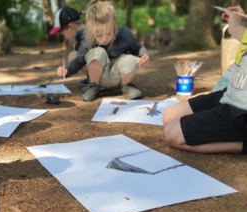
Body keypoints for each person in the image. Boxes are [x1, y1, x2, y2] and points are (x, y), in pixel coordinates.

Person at [163, 6, 247, 154]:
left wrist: (236, 24)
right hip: (230, 94)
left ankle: (243, 145)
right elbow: (237, 31)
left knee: (172, 134)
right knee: (169, 116)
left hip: (241, 112)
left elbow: (236, 29)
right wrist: (238, 18)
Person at [56, 0, 150, 102]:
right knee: (97, 52)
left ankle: (124, 87)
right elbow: (78, 61)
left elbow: (137, 47)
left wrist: (144, 55)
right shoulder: (88, 39)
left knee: (133, 60)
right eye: (99, 35)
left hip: (117, 74)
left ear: (114, 26)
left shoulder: (125, 33)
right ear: (92, 31)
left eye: (108, 33)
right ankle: (94, 86)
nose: (104, 38)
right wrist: (67, 71)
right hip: (100, 76)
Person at [49, 7, 88, 85]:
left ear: (71, 27)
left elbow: (80, 60)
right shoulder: (85, 32)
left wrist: (67, 70)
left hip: (110, 70)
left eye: (63, 34)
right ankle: (93, 77)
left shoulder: (85, 38)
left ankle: (97, 80)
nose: (65, 38)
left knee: (73, 55)